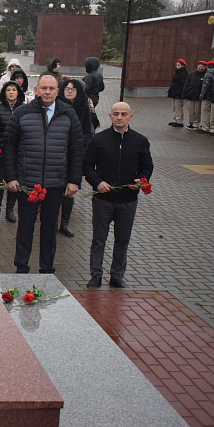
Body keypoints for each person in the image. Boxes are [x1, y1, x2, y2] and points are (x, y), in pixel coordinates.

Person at [2, 74, 84, 274]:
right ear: (36, 90)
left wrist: (74, 180)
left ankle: (47, 269)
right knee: (25, 228)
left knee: (49, 230)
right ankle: (21, 267)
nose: (47, 92)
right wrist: (11, 177)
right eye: (44, 88)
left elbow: (77, 149)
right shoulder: (22, 113)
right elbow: (9, 146)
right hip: (27, 183)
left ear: (58, 91)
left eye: (52, 88)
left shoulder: (68, 114)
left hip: (55, 184)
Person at [84, 102, 153, 288]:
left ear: (130, 117)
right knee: (99, 239)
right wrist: (97, 182)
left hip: (128, 200)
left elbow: (147, 166)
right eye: (116, 114)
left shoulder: (140, 141)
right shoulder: (99, 140)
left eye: (123, 114)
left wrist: (142, 179)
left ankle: (116, 276)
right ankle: (95, 276)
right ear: (110, 116)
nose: (119, 117)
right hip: (103, 199)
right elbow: (87, 166)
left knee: (122, 240)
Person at [56, 78, 94, 238]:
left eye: (73, 89)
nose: (70, 91)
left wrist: (77, 140)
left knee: (69, 189)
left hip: (73, 153)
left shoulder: (84, 109)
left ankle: (64, 223)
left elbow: (89, 133)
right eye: (67, 88)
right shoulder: (55, 107)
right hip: (56, 152)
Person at [0, 80, 26, 223]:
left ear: (18, 92)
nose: (11, 92)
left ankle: (10, 209)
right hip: (1, 150)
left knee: (14, 180)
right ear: (4, 92)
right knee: (0, 180)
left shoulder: (24, 109)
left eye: (14, 89)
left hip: (18, 152)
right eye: (8, 90)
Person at [182, 61, 206, 130]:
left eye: (202, 67)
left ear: (204, 68)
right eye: (199, 66)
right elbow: (186, 84)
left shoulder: (205, 75)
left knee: (197, 111)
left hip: (198, 96)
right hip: (190, 94)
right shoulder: (192, 74)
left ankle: (196, 123)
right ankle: (191, 122)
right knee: (191, 110)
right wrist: (185, 93)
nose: (200, 68)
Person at [167, 59, 188, 127]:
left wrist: (179, 93)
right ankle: (175, 119)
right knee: (174, 107)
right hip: (174, 92)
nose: (177, 66)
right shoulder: (177, 72)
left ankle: (179, 121)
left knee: (178, 107)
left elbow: (182, 84)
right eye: (176, 65)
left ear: (182, 66)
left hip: (178, 93)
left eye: (178, 65)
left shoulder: (184, 73)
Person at [199, 60, 214, 134]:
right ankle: (211, 127)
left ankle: (205, 127)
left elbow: (205, 86)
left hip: (207, 96)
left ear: (207, 66)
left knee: (205, 111)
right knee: (211, 113)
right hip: (213, 96)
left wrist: (201, 96)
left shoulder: (208, 74)